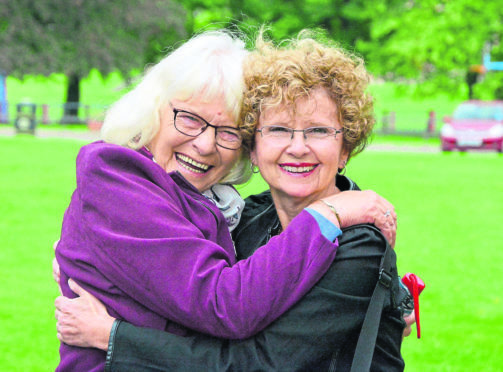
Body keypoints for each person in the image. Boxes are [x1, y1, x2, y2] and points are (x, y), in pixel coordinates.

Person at [55, 31, 408, 371]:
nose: (298, 147)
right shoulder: (251, 219)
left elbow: (255, 361)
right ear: (254, 149)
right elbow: (213, 302)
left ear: (345, 148)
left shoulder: (356, 245)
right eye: (279, 129)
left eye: (318, 130)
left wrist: (113, 336)